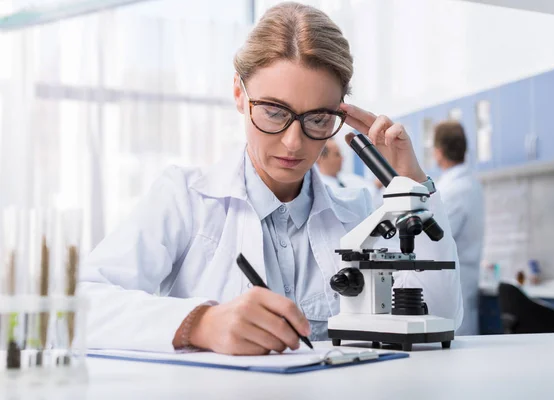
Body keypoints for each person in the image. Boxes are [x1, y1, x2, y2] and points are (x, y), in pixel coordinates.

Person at [80, 2, 463, 355]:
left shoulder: (361, 213)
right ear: (239, 95)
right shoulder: (186, 199)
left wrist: (411, 182)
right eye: (274, 112)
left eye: (317, 119)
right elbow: (82, 303)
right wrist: (200, 324)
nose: (293, 142)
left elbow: (441, 318)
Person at [433, 121, 484, 336]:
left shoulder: (453, 189)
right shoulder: (469, 184)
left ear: (439, 152)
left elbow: (434, 239)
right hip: (463, 280)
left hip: (454, 285)